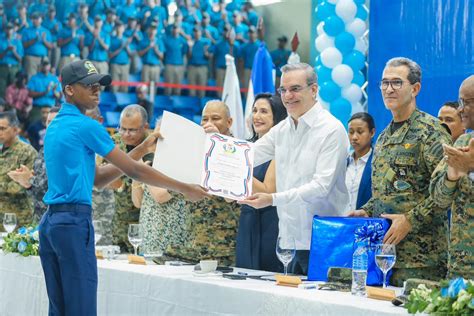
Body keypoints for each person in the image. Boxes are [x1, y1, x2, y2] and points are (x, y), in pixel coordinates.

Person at [39, 59, 208, 316]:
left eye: (99, 85)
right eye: (89, 85)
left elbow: (97, 178)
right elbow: (135, 170)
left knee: (59, 309)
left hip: (52, 223)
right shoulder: (86, 125)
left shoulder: (56, 126)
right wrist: (185, 188)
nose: (97, 90)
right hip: (72, 221)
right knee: (81, 308)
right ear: (70, 89)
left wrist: (141, 149)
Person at [237, 63, 349, 275]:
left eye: (295, 89)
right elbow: (248, 155)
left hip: (322, 241)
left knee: (323, 308)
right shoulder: (282, 130)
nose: (288, 96)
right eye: (283, 90)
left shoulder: (331, 130)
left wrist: (272, 199)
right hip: (287, 242)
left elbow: (320, 187)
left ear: (314, 90)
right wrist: (210, 153)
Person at [348, 57, 451, 286]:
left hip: (422, 260)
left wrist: (409, 220)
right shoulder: (384, 137)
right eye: (384, 83)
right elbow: (388, 193)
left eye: (396, 83)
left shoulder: (431, 132)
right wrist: (366, 210)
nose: (388, 89)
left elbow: (446, 192)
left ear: (415, 88)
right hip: (383, 256)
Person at [166, 100, 241, 266]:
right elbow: (174, 190)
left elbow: (231, 195)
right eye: (205, 119)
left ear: (229, 122)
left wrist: (218, 142)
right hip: (192, 244)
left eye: (215, 119)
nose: (209, 124)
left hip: (223, 247)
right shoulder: (195, 149)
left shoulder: (237, 151)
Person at [235, 93, 287, 272]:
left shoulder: (279, 150)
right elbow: (230, 197)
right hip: (246, 219)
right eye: (254, 110)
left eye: (264, 111)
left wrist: (237, 169)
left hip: (268, 221)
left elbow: (268, 189)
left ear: (277, 117)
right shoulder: (245, 148)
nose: (257, 116)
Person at [430, 75, 474, 279]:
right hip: (460, 268)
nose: (460, 109)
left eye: (466, 102)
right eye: (460, 102)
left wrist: (471, 171)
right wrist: (452, 176)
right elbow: (438, 200)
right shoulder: (461, 143)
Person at [110, 104, 152, 253]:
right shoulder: (114, 143)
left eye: (132, 130)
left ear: (145, 126)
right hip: (119, 224)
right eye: (122, 129)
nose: (126, 134)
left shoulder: (154, 147)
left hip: (145, 225)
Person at [7, 107, 60, 222]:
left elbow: (55, 187)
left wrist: (30, 179)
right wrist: (27, 182)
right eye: (49, 122)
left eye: (56, 122)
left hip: (59, 218)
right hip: (41, 217)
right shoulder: (44, 150)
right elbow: (37, 189)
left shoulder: (70, 151)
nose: (51, 126)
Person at [0, 111, 37, 230]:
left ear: (16, 130)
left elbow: (25, 185)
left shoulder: (27, 152)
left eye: (2, 128)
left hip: (19, 220)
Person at [86, 107, 116, 246]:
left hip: (103, 215)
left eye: (90, 120)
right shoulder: (75, 145)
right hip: (79, 215)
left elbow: (118, 183)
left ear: (100, 121)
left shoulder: (111, 146)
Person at [346, 112, 376, 210]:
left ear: (372, 133)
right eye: (351, 132)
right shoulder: (343, 162)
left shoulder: (378, 162)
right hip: (341, 221)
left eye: (360, 132)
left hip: (366, 222)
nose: (354, 137)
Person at [27, 59, 62, 124]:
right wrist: (44, 92)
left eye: (47, 64)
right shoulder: (34, 78)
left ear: (50, 66)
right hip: (37, 108)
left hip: (50, 108)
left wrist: (54, 91)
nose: (45, 66)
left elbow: (59, 96)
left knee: (53, 127)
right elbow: (30, 93)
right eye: (44, 65)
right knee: (34, 126)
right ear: (41, 66)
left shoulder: (54, 78)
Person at [22, 12, 53, 79]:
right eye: (33, 18)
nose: (35, 20)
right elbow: (24, 45)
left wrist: (44, 41)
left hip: (43, 59)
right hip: (31, 58)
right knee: (31, 78)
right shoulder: (27, 31)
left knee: (43, 78)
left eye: (37, 18)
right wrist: (35, 40)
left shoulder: (46, 31)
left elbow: (51, 47)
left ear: (41, 19)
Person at [163, 25, 188, 96]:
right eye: (174, 28)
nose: (175, 30)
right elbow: (164, 53)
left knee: (178, 87)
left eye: (176, 28)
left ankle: (177, 104)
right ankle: (166, 104)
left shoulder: (183, 41)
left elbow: (184, 52)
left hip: (179, 65)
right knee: (168, 87)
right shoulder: (167, 40)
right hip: (169, 65)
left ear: (179, 30)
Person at [0, 23, 24, 99]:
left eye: (10, 29)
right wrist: (6, 50)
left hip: (14, 67)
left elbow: (20, 59)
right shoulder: (1, 40)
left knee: (13, 87)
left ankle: (12, 106)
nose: (9, 30)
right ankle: (2, 106)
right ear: (5, 30)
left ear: (13, 30)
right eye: (7, 28)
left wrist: (14, 52)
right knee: (2, 87)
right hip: (3, 67)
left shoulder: (17, 41)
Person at [109, 20, 133, 93]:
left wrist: (126, 46)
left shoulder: (126, 39)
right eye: (118, 27)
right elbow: (110, 55)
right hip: (115, 65)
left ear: (123, 28)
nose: (119, 29)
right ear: (115, 28)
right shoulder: (112, 39)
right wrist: (121, 47)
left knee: (124, 88)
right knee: (114, 87)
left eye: (121, 27)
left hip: (125, 65)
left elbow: (131, 54)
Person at [187, 26, 211, 98]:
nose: (196, 33)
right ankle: (192, 108)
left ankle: (202, 108)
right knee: (192, 91)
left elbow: (209, 56)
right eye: (195, 31)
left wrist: (206, 52)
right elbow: (188, 56)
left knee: (202, 90)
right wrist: (190, 48)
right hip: (192, 67)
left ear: (200, 32)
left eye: (197, 31)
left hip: (202, 67)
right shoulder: (191, 42)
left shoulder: (206, 41)